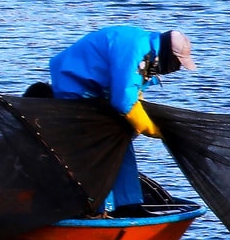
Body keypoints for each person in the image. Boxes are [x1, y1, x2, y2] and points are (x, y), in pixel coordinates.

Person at [48, 25, 196, 215]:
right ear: (169, 54)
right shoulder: (135, 49)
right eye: (177, 63)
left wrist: (136, 123)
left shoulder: (150, 53)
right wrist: (152, 129)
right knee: (99, 145)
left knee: (120, 140)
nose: (176, 69)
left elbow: (134, 92)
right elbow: (123, 101)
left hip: (101, 91)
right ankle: (102, 208)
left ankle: (129, 205)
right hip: (75, 86)